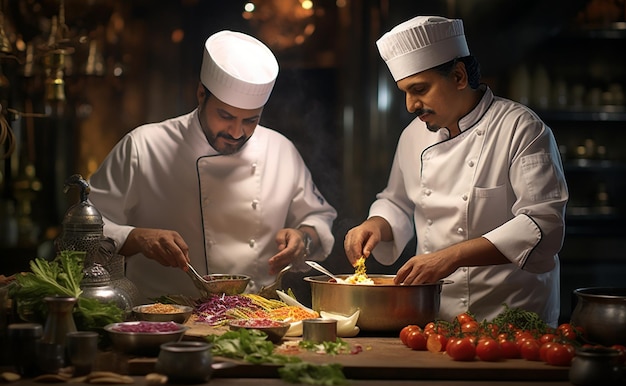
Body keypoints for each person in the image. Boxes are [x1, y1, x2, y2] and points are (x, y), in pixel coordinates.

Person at [344, 16, 568, 328]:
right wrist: (376, 224)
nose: (410, 105)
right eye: (404, 92)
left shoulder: (520, 128)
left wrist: (451, 256)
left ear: (459, 76)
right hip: (437, 315)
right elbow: (396, 201)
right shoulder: (413, 135)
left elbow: (543, 224)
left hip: (513, 316)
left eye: (419, 89)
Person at [87, 30, 337, 303]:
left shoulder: (280, 150)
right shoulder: (143, 146)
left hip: (255, 317)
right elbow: (85, 231)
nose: (237, 132)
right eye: (226, 116)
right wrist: (136, 238)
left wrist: (303, 238)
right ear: (201, 94)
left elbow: (318, 218)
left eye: (251, 120)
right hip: (162, 319)